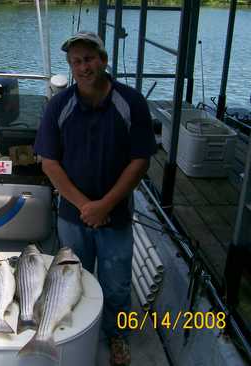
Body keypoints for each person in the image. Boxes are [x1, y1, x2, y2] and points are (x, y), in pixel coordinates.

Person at [34, 31, 156, 366]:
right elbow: (48, 162)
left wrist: (105, 205)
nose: (83, 67)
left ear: (103, 59)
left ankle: (118, 337)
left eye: (89, 59)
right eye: (76, 62)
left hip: (115, 216)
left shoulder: (130, 102)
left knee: (117, 284)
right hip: (73, 217)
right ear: (70, 66)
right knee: (71, 281)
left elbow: (140, 161)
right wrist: (85, 206)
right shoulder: (60, 105)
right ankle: (77, 333)